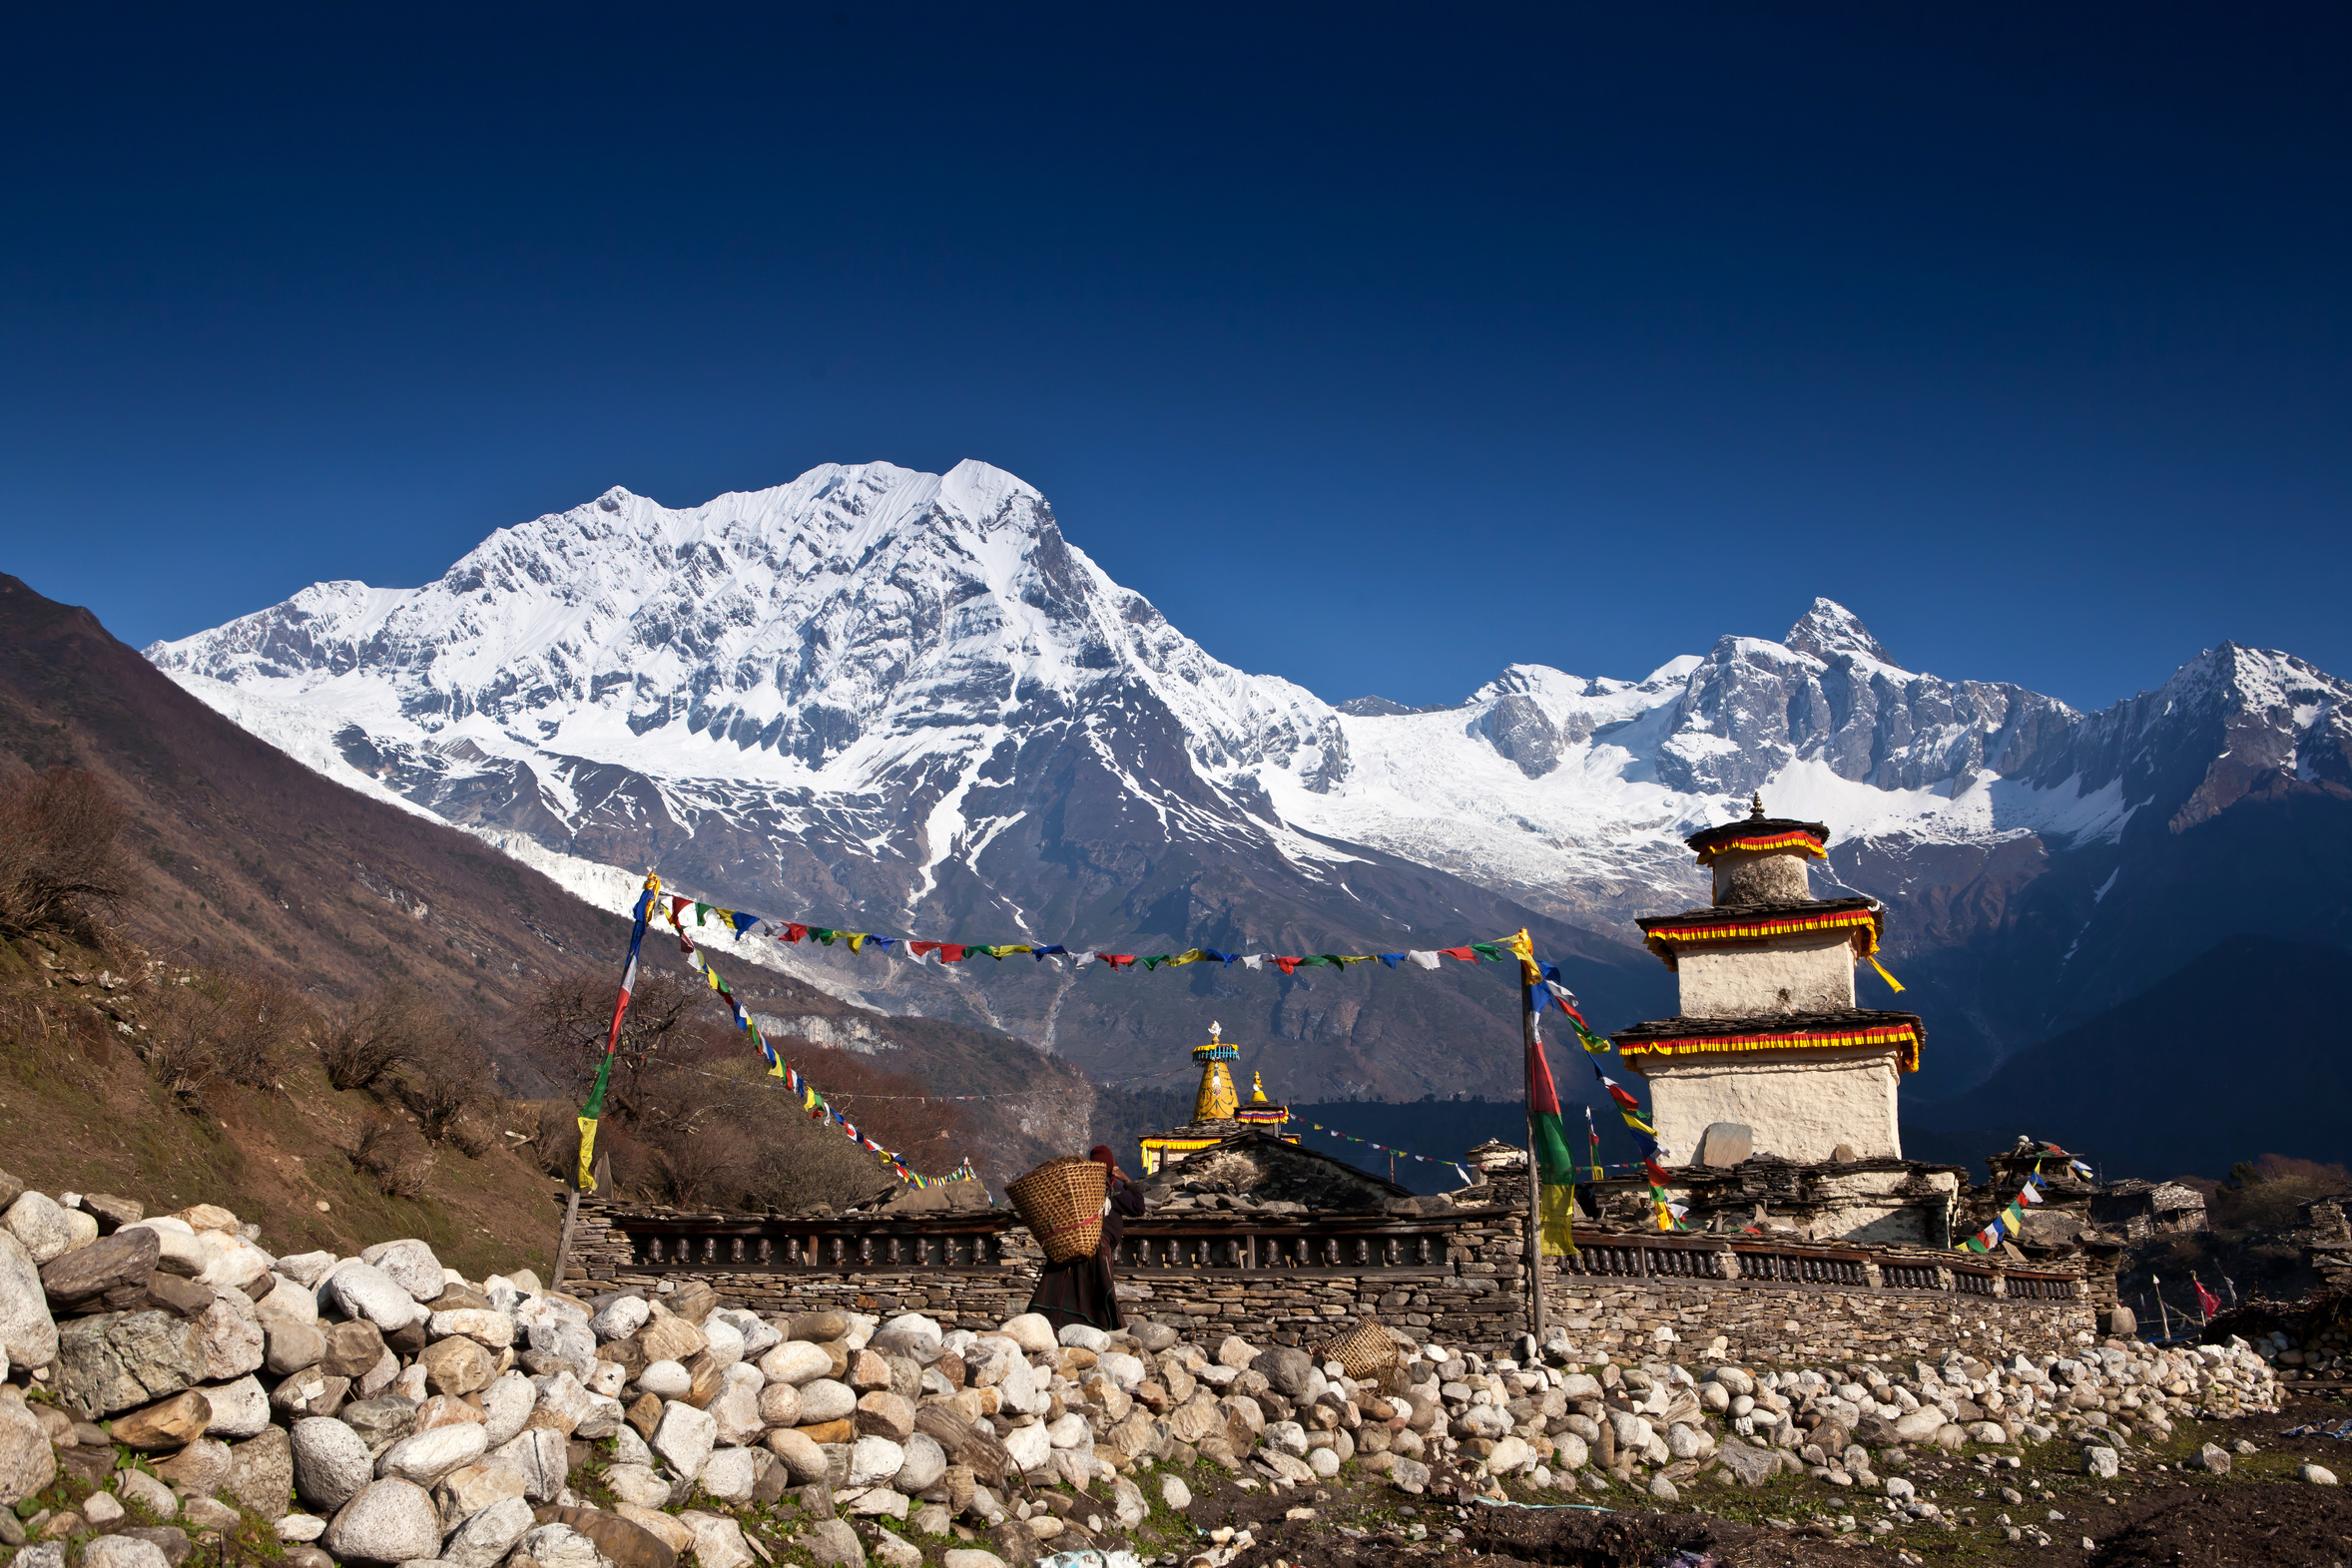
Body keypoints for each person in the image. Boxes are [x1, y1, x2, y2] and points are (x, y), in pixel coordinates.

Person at [1028, 1144, 1147, 1332]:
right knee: (1094, 1293)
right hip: (1098, 1248)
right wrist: (1127, 1179)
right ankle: (1099, 1329)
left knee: (1065, 1290)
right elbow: (1138, 1208)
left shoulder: (1078, 1185)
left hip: (1070, 1243)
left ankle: (1053, 1327)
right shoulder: (1111, 1186)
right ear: (1111, 1165)